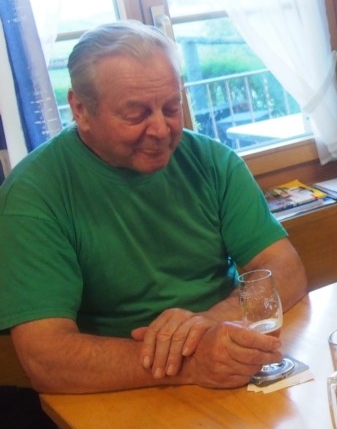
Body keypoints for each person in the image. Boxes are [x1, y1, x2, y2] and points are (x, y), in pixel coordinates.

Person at [0, 21, 308, 394]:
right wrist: (190, 363)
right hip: (120, 392)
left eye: (171, 107)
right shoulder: (34, 194)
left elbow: (285, 268)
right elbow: (46, 359)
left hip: (226, 363)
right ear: (80, 109)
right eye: (136, 115)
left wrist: (207, 323)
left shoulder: (212, 161)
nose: (162, 130)